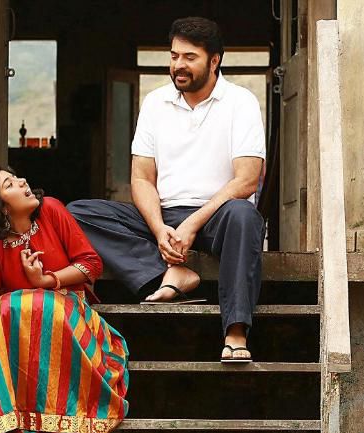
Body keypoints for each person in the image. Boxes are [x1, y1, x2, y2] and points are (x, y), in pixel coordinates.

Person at [68, 16, 265, 363]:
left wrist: (193, 224)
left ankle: (235, 330)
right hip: (165, 215)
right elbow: (142, 179)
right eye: (174, 56)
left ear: (214, 61)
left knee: (245, 215)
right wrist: (159, 229)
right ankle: (167, 275)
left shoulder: (241, 101)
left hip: (219, 215)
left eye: (189, 57)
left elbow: (247, 180)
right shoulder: (155, 102)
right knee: (78, 213)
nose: (178, 65)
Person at [0, 167, 129, 433]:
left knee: (45, 306)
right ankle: (13, 414)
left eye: (17, 177)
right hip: (20, 339)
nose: (22, 181)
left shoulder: (51, 209)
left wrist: (46, 281)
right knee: (4, 310)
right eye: (10, 184)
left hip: (70, 319)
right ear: (1, 207)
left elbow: (91, 264)